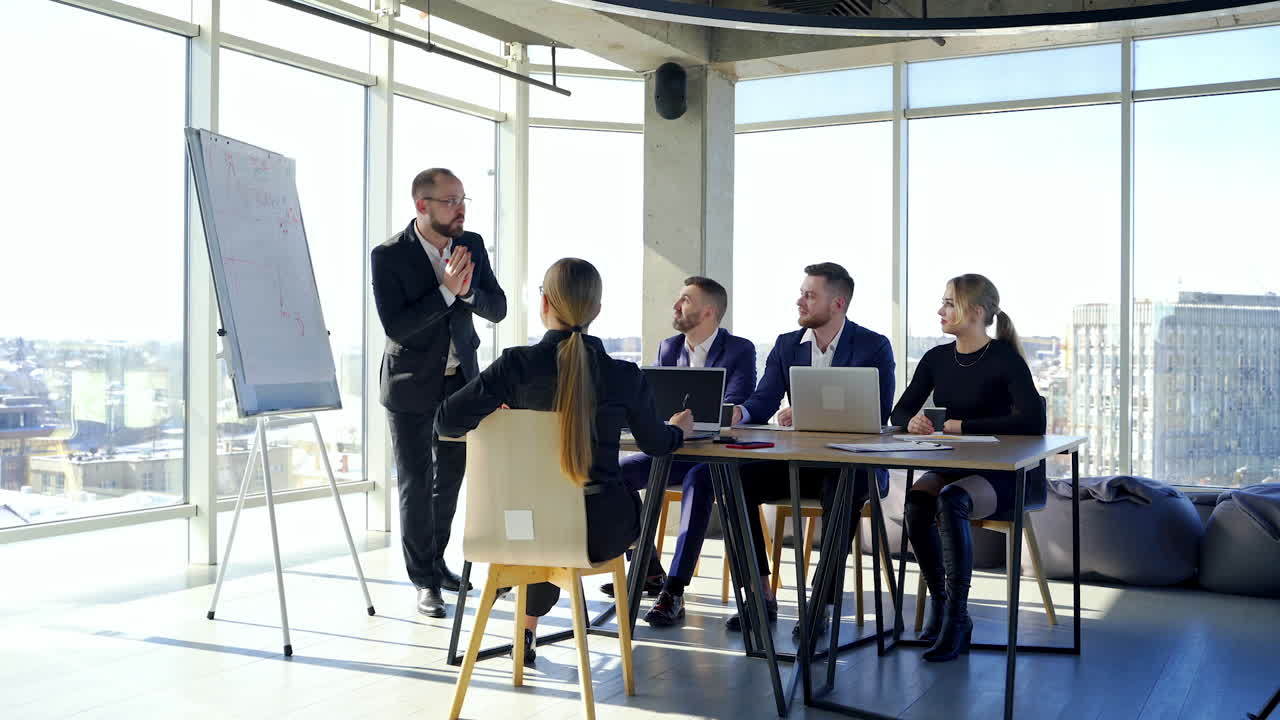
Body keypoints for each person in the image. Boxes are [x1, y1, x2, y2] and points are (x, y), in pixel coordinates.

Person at [436, 257, 694, 668]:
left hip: (516, 527)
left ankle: (526, 628)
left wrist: (499, 416)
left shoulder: (513, 366)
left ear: (544, 304)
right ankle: (649, 584)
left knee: (541, 521)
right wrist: (680, 427)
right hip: (597, 533)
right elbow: (657, 444)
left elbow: (446, 421)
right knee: (623, 501)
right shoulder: (622, 375)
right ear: (596, 310)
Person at [725, 262, 895, 635]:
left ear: (838, 303)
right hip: (800, 464)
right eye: (802, 293)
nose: (799, 301)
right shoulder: (787, 345)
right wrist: (741, 412)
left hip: (854, 466)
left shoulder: (873, 346)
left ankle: (820, 602)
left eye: (809, 295)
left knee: (842, 486)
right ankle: (759, 594)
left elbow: (879, 411)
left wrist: (805, 409)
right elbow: (764, 399)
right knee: (734, 480)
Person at [371, 168, 507, 618]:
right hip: (409, 384)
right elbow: (399, 326)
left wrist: (466, 295)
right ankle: (424, 581)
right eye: (450, 200)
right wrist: (446, 292)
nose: (461, 208)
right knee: (415, 482)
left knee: (448, 480)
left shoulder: (473, 246)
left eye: (463, 198)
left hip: (459, 381)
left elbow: (498, 307)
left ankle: (438, 563)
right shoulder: (388, 256)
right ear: (422, 205)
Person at [890, 273, 1046, 662]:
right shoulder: (936, 358)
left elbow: (1032, 422)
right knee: (917, 502)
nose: (940, 310)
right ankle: (942, 606)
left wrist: (965, 426)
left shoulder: (1005, 359)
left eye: (948, 303)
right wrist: (911, 422)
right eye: (943, 302)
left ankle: (958, 621)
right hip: (955, 465)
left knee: (950, 500)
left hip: (1006, 475)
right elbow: (901, 408)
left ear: (976, 312)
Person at [605, 277, 756, 628]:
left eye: (685, 301)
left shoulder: (739, 350)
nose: (676, 307)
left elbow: (734, 403)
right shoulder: (668, 348)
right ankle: (648, 568)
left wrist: (714, 413)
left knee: (699, 480)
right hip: (675, 447)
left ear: (708, 311)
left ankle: (673, 590)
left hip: (716, 454)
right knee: (617, 475)